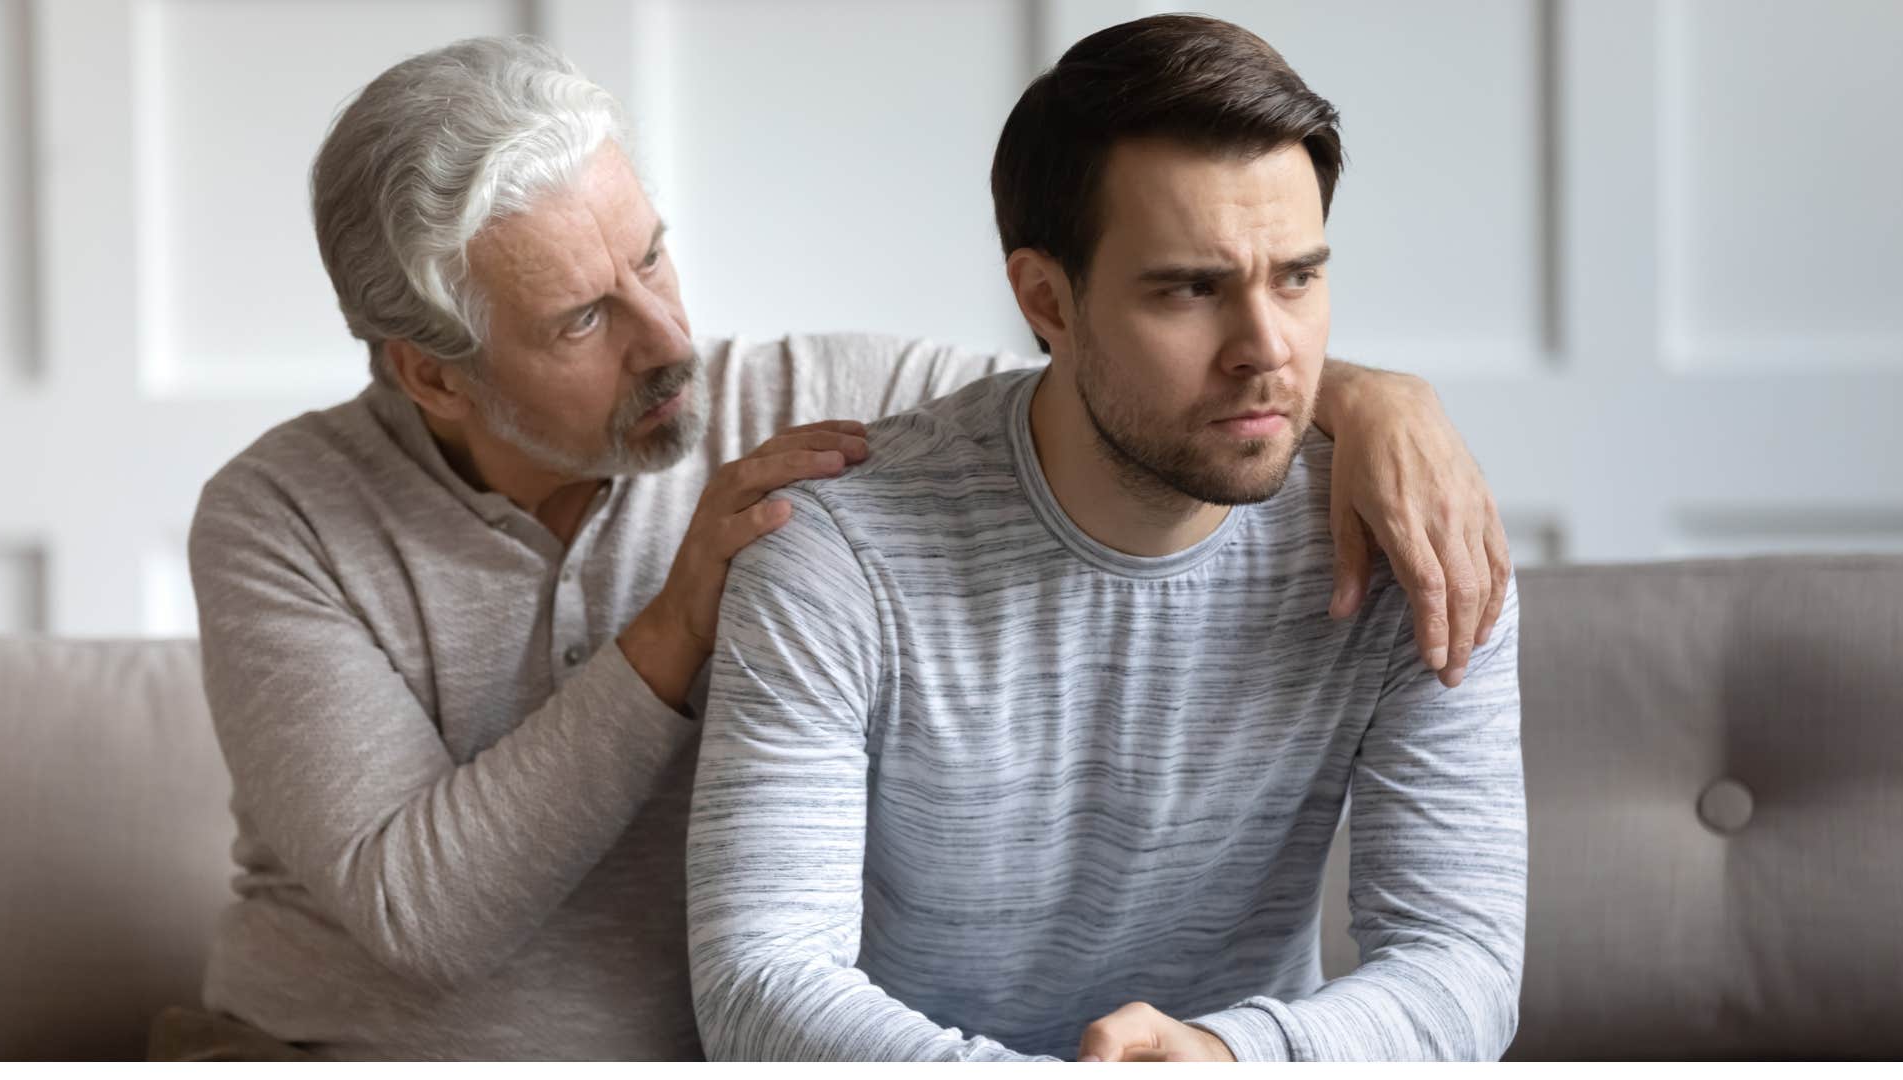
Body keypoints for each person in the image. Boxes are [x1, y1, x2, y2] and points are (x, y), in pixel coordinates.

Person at [181, 34, 1510, 1060]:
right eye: (585, 319)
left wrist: (1379, 403)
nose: (669, 339)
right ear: (432, 373)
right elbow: (426, 914)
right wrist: (675, 625)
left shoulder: (809, 408)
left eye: (654, 258)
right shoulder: (281, 518)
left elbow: (1114, 378)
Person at [686, 14, 1525, 1062]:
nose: (1267, 350)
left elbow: (1463, 963)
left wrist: (1231, 1057)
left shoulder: (1411, 532)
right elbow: (759, 982)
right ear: (1047, 299)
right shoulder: (835, 556)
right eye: (1191, 289)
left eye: (1298, 277)